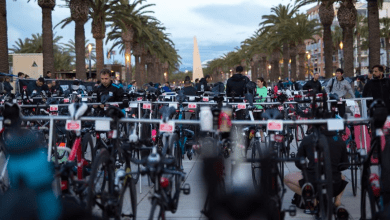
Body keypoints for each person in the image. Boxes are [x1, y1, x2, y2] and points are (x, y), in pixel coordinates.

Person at [284, 125, 349, 208]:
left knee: (287, 178)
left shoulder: (308, 139)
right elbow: (345, 165)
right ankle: (338, 200)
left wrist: (306, 169)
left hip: (313, 183)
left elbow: (298, 162)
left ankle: (312, 198)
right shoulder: (339, 140)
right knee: (342, 176)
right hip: (334, 185)